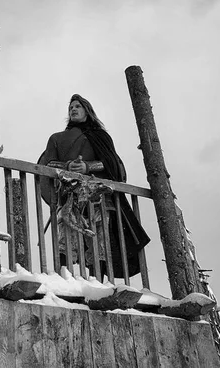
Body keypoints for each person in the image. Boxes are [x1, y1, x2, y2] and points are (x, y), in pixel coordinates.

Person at [37, 94, 150, 277]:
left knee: (99, 241)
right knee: (66, 240)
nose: (73, 109)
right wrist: (67, 166)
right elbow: (48, 164)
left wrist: (87, 166)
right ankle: (64, 279)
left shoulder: (101, 137)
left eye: (78, 106)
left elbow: (112, 164)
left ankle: (97, 282)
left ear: (87, 111)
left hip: (99, 199)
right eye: (71, 107)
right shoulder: (56, 138)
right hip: (69, 197)